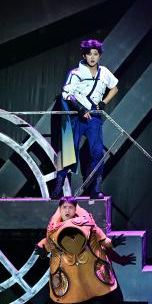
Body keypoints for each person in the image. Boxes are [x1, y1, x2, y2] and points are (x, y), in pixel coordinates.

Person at [35, 196, 135, 304]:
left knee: (97, 298)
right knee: (62, 300)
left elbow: (103, 240)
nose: (67, 210)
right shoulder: (54, 227)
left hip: (88, 270)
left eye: (70, 207)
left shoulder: (88, 223)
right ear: (59, 209)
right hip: (68, 272)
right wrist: (42, 250)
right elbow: (48, 244)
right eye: (64, 207)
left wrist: (113, 243)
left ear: (75, 209)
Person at [53, 39, 120, 198]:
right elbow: (66, 94)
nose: (92, 57)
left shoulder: (104, 72)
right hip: (77, 117)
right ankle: (58, 187)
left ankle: (95, 188)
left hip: (94, 117)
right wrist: (80, 108)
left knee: (97, 152)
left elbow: (114, 88)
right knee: (69, 151)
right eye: (89, 54)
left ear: (99, 56)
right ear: (84, 55)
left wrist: (104, 102)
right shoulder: (76, 73)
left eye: (95, 54)